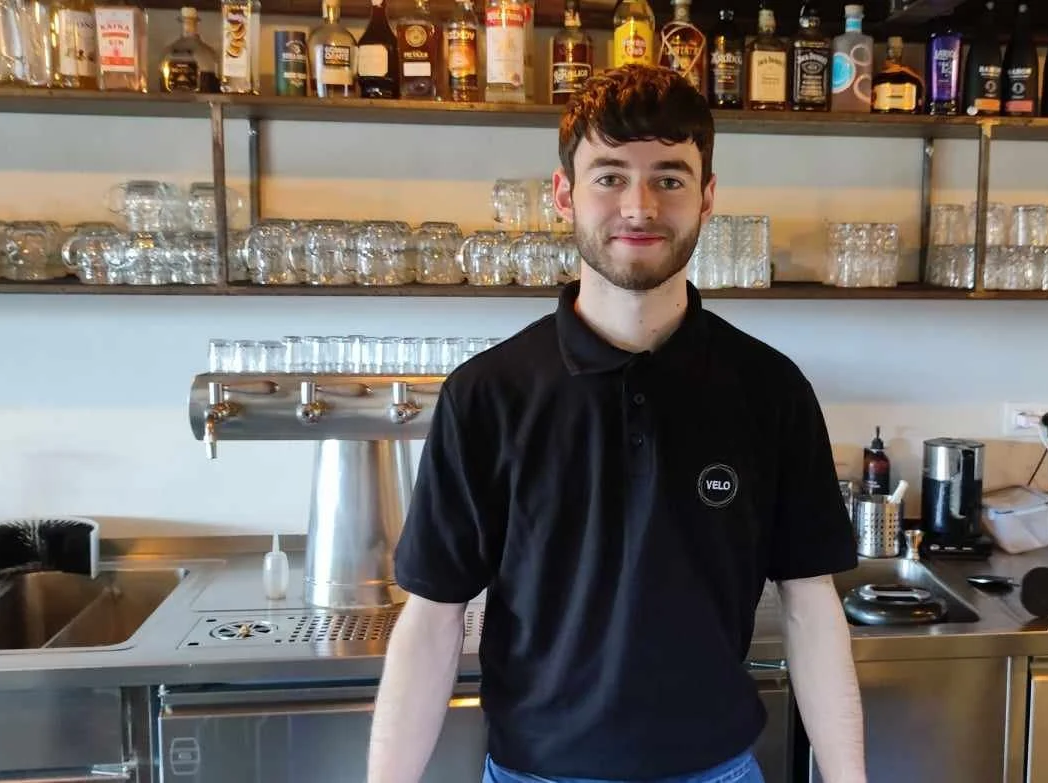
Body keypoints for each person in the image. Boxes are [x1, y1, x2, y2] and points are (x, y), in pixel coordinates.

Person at [367, 64, 866, 783]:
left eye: (669, 178)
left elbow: (811, 607)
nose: (639, 206)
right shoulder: (487, 394)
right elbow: (432, 619)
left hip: (716, 770)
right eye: (609, 177)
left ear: (707, 197)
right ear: (564, 193)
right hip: (536, 773)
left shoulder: (770, 389)